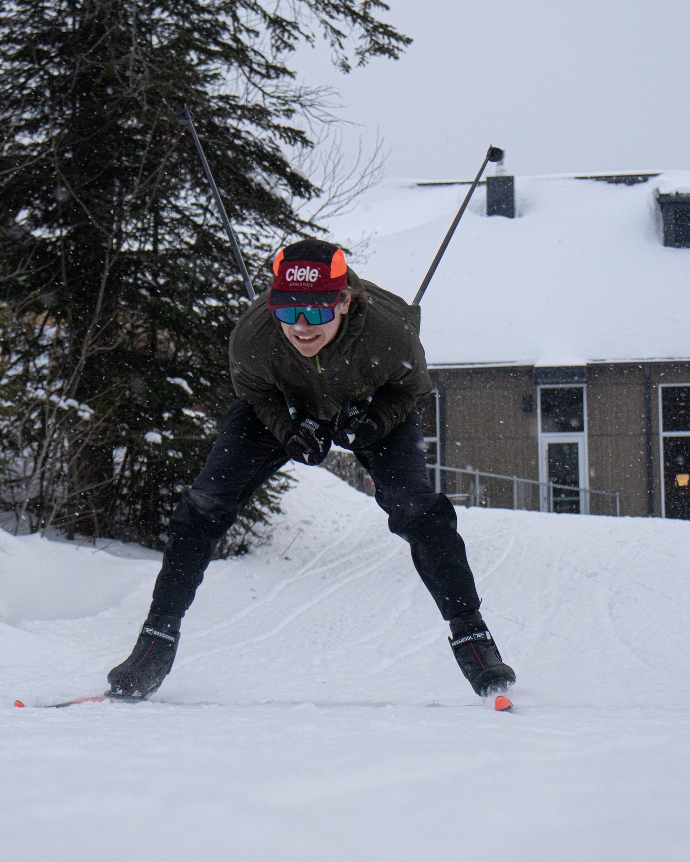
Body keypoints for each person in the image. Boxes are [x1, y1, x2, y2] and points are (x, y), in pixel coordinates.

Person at [107, 239, 516, 699]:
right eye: (287, 310)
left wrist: (372, 422)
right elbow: (256, 394)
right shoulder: (254, 335)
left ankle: (472, 638)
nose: (301, 327)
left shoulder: (390, 332)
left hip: (373, 405)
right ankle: (155, 642)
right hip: (283, 404)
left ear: (343, 301)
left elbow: (410, 390)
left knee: (416, 508)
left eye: (318, 313)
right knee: (204, 503)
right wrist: (288, 429)